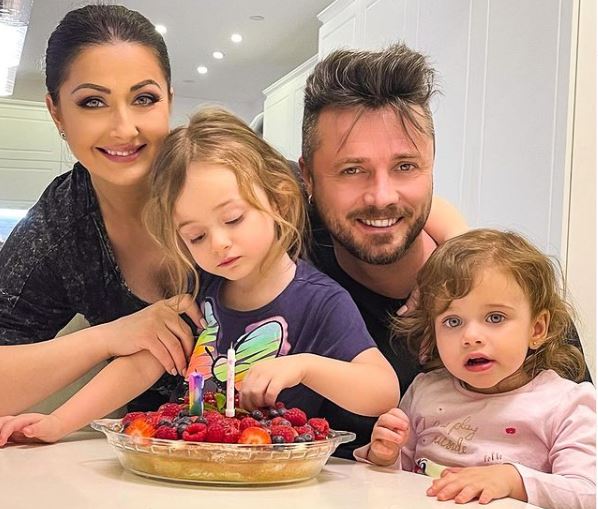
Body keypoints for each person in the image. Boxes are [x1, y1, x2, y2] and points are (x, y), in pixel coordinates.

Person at [0, 108, 400, 444]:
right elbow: (140, 366)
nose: (219, 244)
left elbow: (382, 390)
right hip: (191, 468)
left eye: (234, 218)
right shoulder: (198, 289)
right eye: (196, 236)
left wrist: (307, 367)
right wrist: (58, 423)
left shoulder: (321, 302)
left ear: (278, 199)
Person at [299, 43, 591, 457]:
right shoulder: (289, 281)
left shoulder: (511, 295)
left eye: (405, 166)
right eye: (352, 170)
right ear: (308, 177)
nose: (382, 196)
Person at [0, 4, 202, 417]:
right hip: (146, 445)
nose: (124, 128)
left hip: (293, 439)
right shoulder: (57, 229)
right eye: (93, 102)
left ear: (169, 99)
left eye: (144, 98)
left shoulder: (228, 178)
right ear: (57, 112)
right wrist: (112, 336)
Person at [358, 229, 595, 509]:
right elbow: (398, 482)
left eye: (495, 317)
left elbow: (587, 493)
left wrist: (512, 480)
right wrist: (385, 456)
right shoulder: (425, 391)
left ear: (537, 329)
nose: (471, 337)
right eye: (453, 322)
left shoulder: (566, 404)